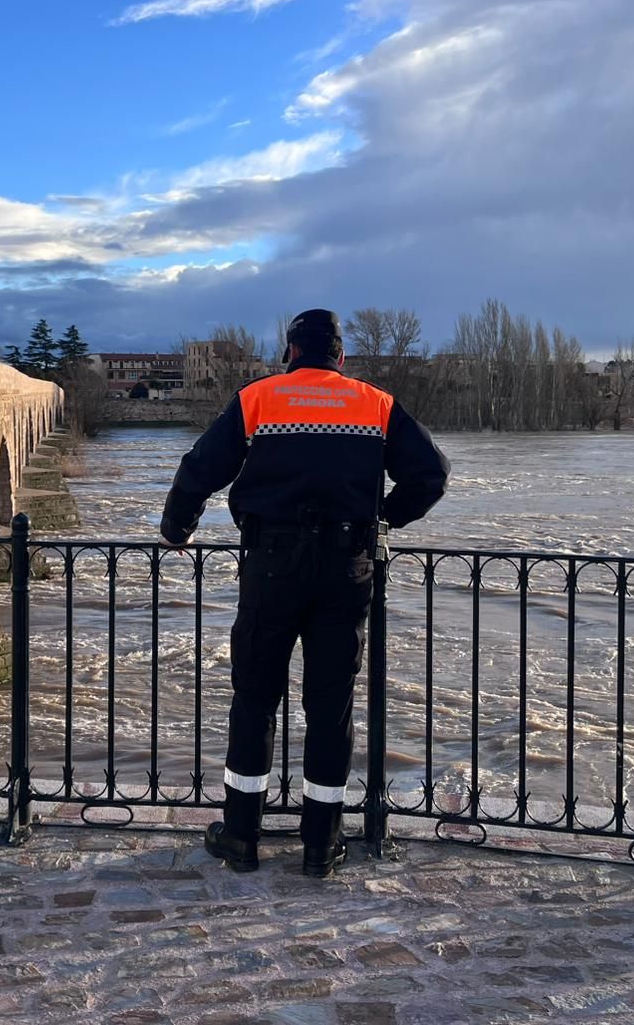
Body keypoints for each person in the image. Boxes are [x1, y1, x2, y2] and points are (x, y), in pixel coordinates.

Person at [160, 309, 449, 877]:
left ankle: (241, 835)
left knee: (256, 698)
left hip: (271, 567)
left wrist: (177, 528)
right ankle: (322, 843)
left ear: (290, 352)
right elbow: (431, 474)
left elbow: (201, 467)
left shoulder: (259, 398)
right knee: (330, 705)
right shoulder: (375, 403)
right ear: (342, 357)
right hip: (347, 567)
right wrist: (384, 517)